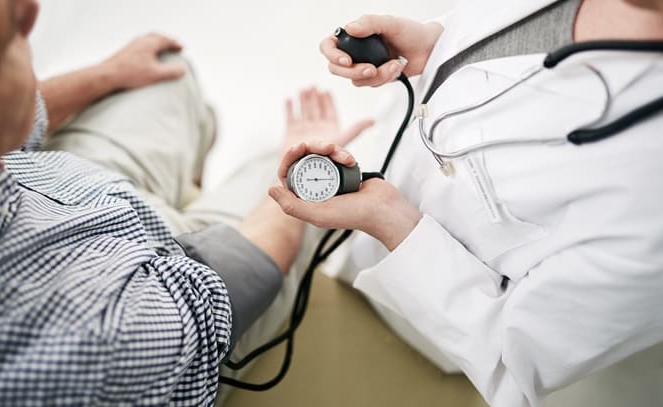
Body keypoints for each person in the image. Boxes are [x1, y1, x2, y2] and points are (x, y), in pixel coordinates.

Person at [0, 0, 372, 405]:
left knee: (168, 68)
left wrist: (109, 74)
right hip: (186, 285)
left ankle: (194, 179)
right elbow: (243, 270)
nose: (30, 9)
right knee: (326, 177)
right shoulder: (85, 339)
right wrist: (305, 169)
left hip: (76, 190)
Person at [269, 0, 663, 406]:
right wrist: (438, 45)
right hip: (370, 199)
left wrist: (389, 221)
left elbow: (513, 359)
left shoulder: (652, 210)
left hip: (415, 337)